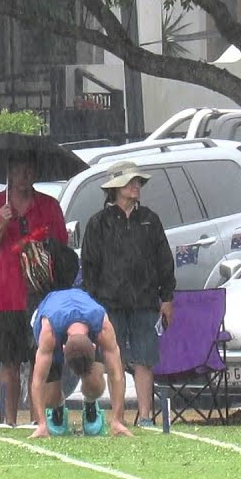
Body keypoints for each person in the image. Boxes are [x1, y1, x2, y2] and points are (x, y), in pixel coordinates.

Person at [0, 152, 68, 428]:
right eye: (18, 169)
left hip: (41, 297)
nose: (24, 176)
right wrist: (3, 223)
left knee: (40, 360)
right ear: (9, 173)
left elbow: (63, 252)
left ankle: (39, 420)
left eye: (30, 169)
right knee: (9, 362)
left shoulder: (49, 206)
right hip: (5, 297)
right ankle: (8, 420)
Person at [80, 160, 175, 426]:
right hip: (109, 304)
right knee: (113, 360)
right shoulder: (98, 224)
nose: (136, 186)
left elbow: (164, 261)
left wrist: (167, 298)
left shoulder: (150, 220)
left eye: (138, 182)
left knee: (145, 359)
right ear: (115, 187)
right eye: (131, 181)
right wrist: (93, 305)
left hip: (145, 302)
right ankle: (118, 415)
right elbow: (89, 267)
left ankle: (145, 416)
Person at [28, 247, 133, 439]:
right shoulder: (48, 331)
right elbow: (36, 381)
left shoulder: (102, 325)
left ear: (94, 346)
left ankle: (91, 404)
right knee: (50, 397)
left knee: (95, 384)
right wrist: (41, 424)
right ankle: (58, 408)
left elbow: (117, 374)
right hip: (54, 316)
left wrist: (117, 419)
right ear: (62, 348)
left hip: (80, 321)